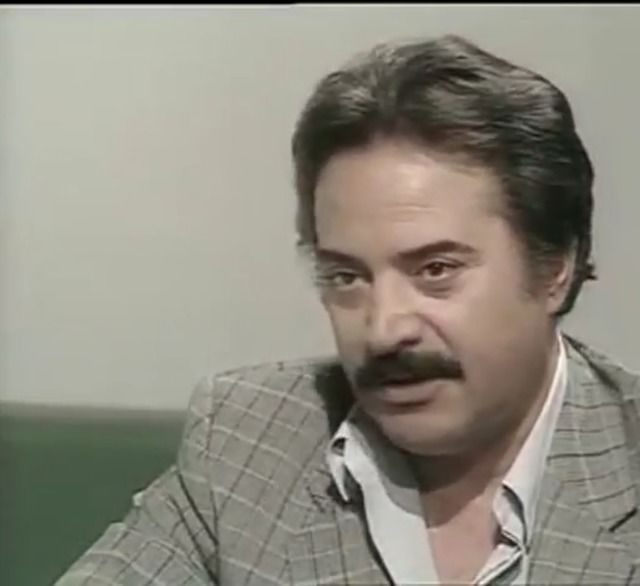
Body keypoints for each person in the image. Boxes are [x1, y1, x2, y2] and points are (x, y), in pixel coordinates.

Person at [56, 34, 640, 585]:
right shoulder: (247, 444)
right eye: (346, 277)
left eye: (435, 270)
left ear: (555, 268)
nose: (383, 330)